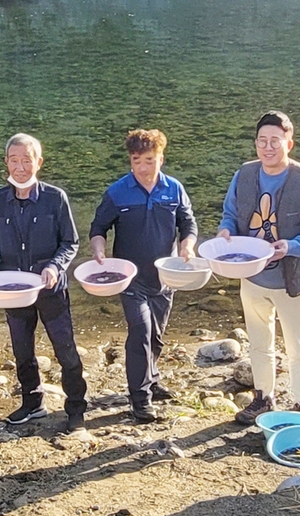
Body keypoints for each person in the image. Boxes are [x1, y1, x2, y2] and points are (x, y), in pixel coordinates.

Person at [218, 110, 300, 425]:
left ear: (289, 144)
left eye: (275, 142)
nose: (268, 148)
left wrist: (290, 247)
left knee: (298, 345)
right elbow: (229, 213)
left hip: (292, 279)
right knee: (258, 342)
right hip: (251, 275)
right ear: (256, 143)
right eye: (262, 141)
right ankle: (263, 398)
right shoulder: (244, 174)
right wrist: (226, 231)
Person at [0, 134, 88, 430]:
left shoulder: (55, 197)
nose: (20, 167)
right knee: (22, 350)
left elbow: (70, 243)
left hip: (51, 289)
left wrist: (54, 266)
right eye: (14, 160)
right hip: (13, 291)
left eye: (27, 160)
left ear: (39, 162)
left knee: (65, 349)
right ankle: (32, 403)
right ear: (6, 163)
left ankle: (76, 408)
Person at [89, 129, 198, 423]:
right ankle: (140, 400)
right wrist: (99, 252)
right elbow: (98, 228)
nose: (143, 168)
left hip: (165, 278)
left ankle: (150, 379)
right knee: (140, 332)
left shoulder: (174, 189)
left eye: (149, 160)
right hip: (130, 279)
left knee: (156, 336)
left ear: (160, 158)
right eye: (137, 161)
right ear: (131, 161)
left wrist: (188, 245)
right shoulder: (117, 192)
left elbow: (188, 224)